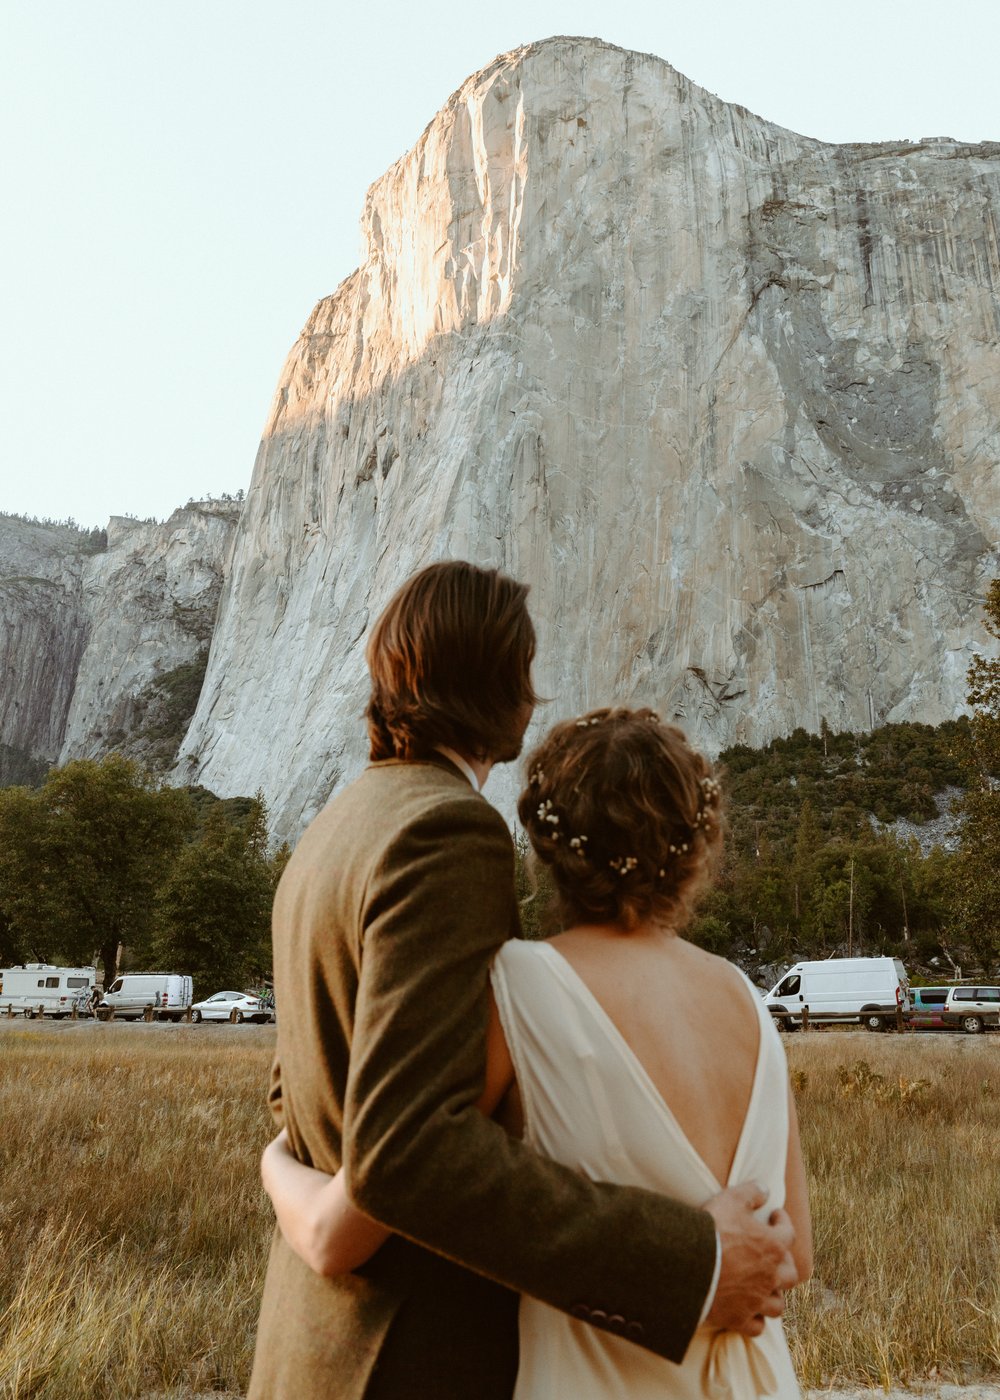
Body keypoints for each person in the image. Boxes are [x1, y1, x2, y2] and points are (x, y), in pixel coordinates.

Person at [248, 563, 798, 1400]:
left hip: (316, 1347)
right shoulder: (447, 830)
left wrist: (293, 1188)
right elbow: (411, 1146)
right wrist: (693, 1260)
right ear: (500, 686)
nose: (535, 696)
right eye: (527, 673)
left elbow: (302, 1094)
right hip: (405, 1353)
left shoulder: (328, 835)